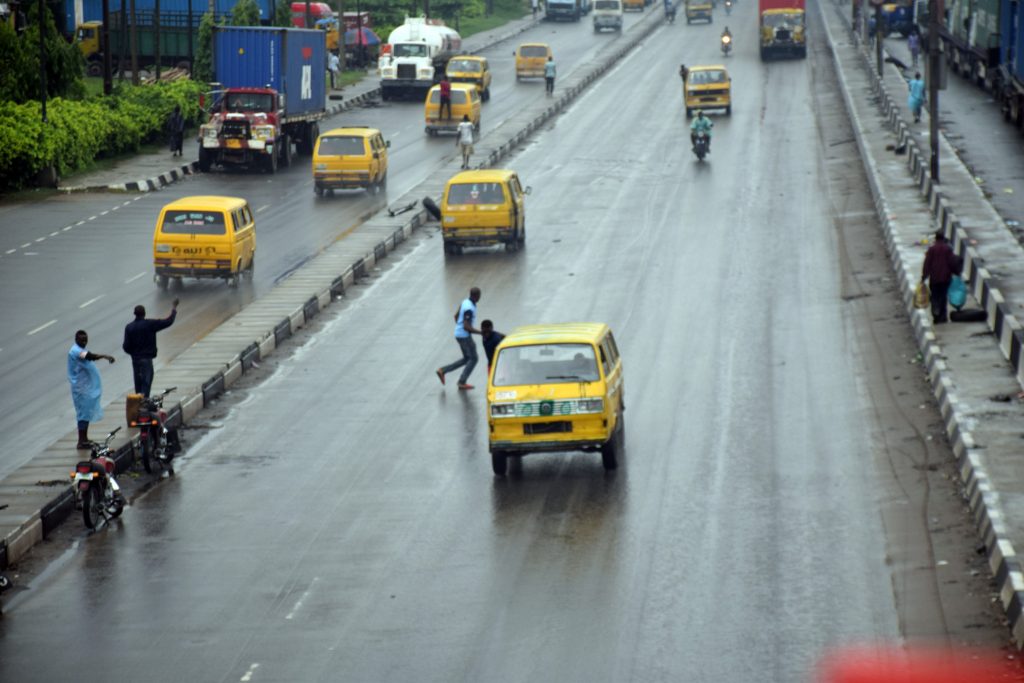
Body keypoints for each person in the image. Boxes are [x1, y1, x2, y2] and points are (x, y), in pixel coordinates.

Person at [68, 330, 115, 449]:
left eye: (85, 340)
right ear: (76, 340)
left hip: (84, 387)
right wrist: (105, 356)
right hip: (81, 388)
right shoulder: (76, 351)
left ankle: (84, 439)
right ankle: (81, 441)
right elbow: (90, 356)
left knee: (86, 412)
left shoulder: (79, 350)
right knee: (83, 414)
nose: (84, 342)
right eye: (81, 340)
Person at [123, 299, 179, 398]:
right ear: (144, 313)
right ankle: (144, 404)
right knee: (146, 383)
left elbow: (126, 347)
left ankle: (138, 405)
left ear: (134, 314)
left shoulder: (129, 327)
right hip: (146, 360)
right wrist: (174, 308)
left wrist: (134, 354)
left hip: (135, 360)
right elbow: (168, 321)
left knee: (138, 385)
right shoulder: (150, 324)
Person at [437, 287, 482, 390]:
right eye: (479, 296)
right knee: (474, 358)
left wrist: (459, 328)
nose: (480, 298)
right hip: (464, 336)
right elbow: (466, 326)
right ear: (476, 296)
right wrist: (481, 333)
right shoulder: (469, 309)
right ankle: (462, 382)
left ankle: (442, 371)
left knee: (467, 358)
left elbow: (456, 316)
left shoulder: (465, 302)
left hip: (459, 334)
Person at [921, 230, 958, 324]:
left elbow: (927, 263)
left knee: (935, 296)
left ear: (936, 238)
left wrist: (924, 276)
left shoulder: (932, 249)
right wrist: (956, 272)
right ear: (943, 238)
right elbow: (952, 262)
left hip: (934, 278)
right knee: (943, 296)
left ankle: (935, 311)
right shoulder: (948, 249)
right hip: (946, 278)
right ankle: (942, 316)